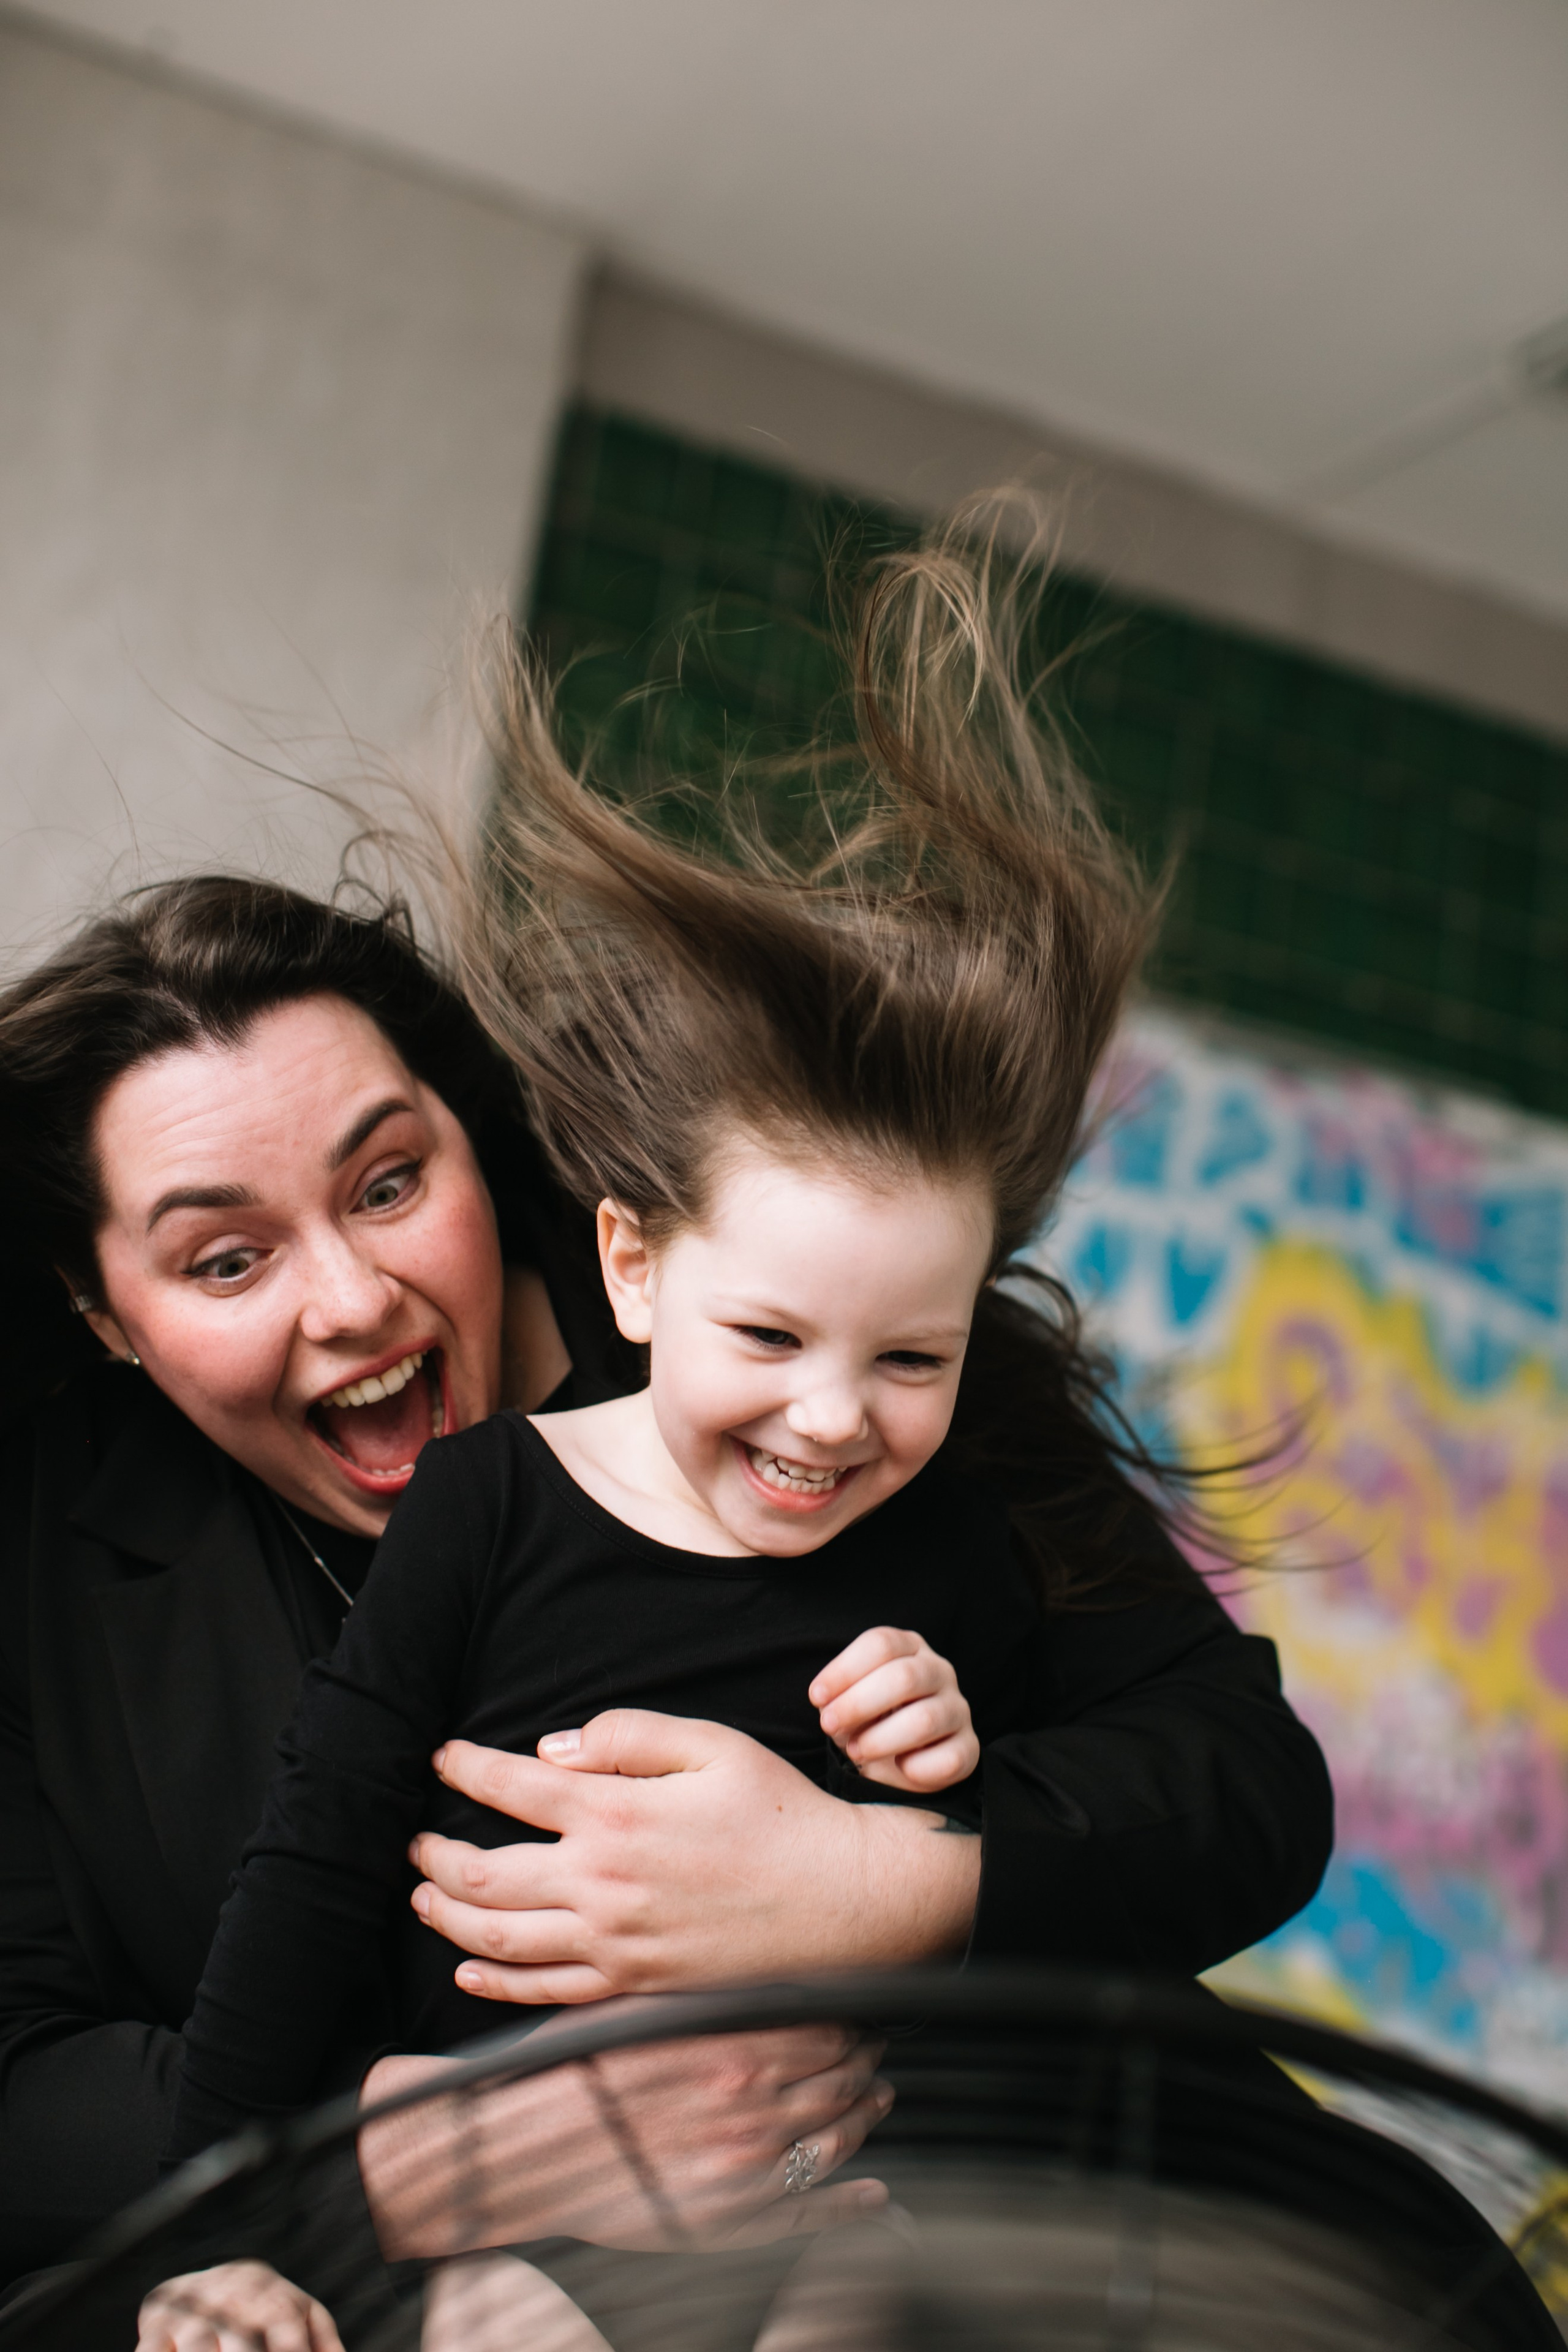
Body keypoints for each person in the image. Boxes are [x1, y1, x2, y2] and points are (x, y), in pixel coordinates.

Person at [0, 556, 1332, 2316]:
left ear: (491, 1158)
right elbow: (24, 2100)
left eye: (392, 1182)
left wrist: (867, 1880)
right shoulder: (49, 1575)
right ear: (107, 1318)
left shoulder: (825, 1341)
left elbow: (1238, 1785)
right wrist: (458, 2149)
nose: (350, 1299)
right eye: (226, 1258)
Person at [164, 508, 1159, 2192]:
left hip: (818, 2197)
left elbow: (1100, 1798)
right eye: (768, 1333)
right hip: (500, 2207)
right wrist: (221, 2218)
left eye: (915, 1360)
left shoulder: (955, 1545)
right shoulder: (492, 1503)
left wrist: (939, 1761)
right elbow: (316, 1858)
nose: (834, 1418)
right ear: (631, 1263)